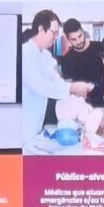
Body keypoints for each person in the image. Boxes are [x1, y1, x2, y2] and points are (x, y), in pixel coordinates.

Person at [21, 9, 75, 152]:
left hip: (36, 124)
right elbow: (40, 86)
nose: (56, 37)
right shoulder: (25, 54)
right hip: (23, 126)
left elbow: (56, 81)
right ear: (40, 29)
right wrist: (71, 88)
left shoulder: (45, 55)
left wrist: (72, 91)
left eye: (58, 33)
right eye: (54, 33)